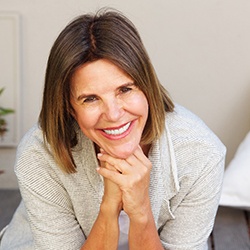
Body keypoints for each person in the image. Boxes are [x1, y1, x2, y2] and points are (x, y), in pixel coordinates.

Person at [0, 9, 226, 250]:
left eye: (125, 90)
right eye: (90, 99)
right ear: (68, 107)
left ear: (147, 87)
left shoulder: (201, 154)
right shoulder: (39, 154)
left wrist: (140, 210)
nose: (114, 115)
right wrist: (109, 206)